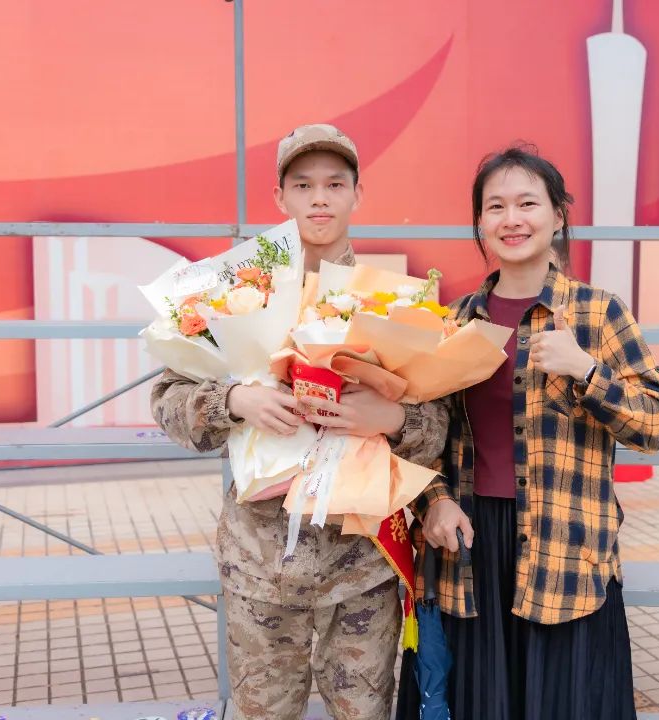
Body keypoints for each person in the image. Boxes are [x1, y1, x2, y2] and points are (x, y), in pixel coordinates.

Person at [152, 124, 448, 720]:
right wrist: (236, 399)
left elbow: (439, 425)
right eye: (303, 185)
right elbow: (168, 402)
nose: (319, 199)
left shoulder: (394, 304)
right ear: (279, 197)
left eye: (335, 184)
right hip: (261, 566)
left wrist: (391, 416)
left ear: (357, 194)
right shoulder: (238, 294)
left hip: (361, 566)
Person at [398, 146, 659, 720]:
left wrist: (586, 370)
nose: (512, 219)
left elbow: (656, 424)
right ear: (480, 222)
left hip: (565, 548)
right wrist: (435, 500)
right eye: (495, 206)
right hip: (469, 545)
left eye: (527, 203)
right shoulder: (456, 320)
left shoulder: (598, 313)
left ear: (558, 215)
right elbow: (425, 438)